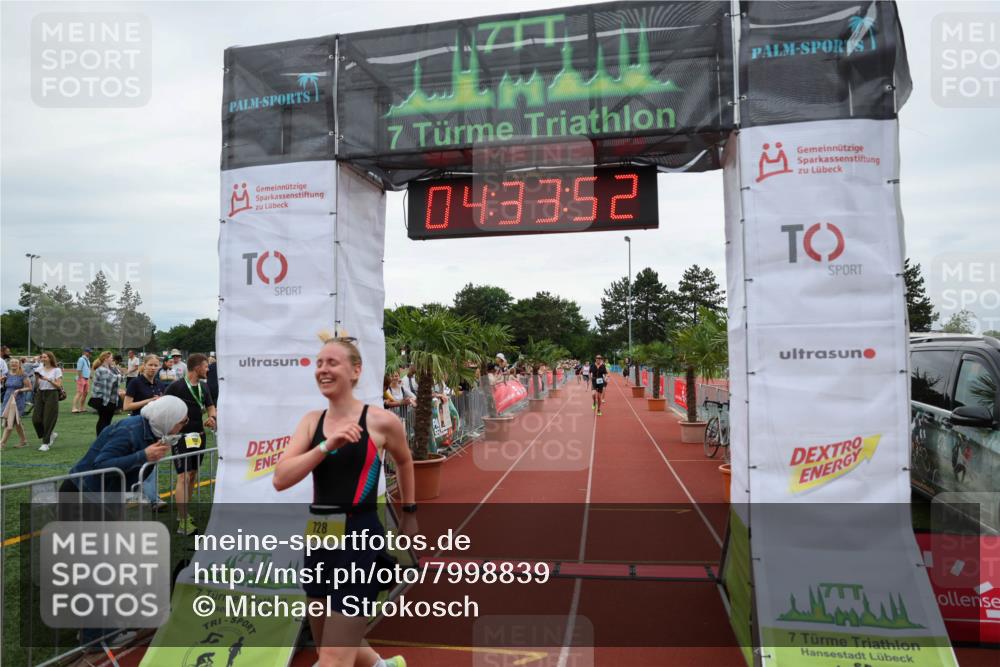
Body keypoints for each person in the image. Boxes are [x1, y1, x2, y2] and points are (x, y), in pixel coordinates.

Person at [273, 338, 413, 667]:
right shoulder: (312, 421)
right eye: (319, 363)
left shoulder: (380, 421)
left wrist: (410, 514)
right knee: (325, 646)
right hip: (320, 535)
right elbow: (281, 478)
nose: (323, 369)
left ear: (355, 371)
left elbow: (405, 461)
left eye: (332, 362)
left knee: (334, 657)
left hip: (360, 535)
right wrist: (327, 445)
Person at [165, 353, 216, 536]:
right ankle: (183, 521)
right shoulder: (175, 386)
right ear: (196, 367)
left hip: (199, 436)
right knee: (183, 477)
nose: (208, 369)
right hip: (180, 437)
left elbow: (210, 406)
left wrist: (212, 417)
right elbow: (163, 408)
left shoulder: (204, 386)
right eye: (206, 366)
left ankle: (184, 513)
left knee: (192, 475)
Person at [32, 351, 63, 451]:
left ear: (50, 358)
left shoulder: (57, 370)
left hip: (52, 394)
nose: (43, 359)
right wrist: (37, 379)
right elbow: (36, 385)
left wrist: (48, 380)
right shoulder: (39, 369)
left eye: (45, 357)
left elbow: (58, 386)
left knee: (48, 419)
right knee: (36, 419)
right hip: (40, 393)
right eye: (42, 357)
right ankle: (50, 434)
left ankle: (45, 443)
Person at [1, 358, 31, 448]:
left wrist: (19, 390)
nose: (14, 364)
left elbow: (29, 387)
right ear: (9, 364)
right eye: (12, 362)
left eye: (16, 362)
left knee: (10, 421)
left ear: (19, 364)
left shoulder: (23, 375)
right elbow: (4, 386)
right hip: (7, 399)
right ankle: (24, 441)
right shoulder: (7, 374)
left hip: (18, 400)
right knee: (17, 422)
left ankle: (2, 443)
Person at [89, 352, 121, 435]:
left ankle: (104, 437)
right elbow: (115, 378)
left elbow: (120, 377)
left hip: (109, 399)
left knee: (107, 419)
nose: (112, 359)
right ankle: (101, 437)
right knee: (103, 420)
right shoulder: (102, 369)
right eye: (111, 358)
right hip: (102, 399)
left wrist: (115, 369)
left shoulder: (110, 368)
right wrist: (119, 374)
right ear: (105, 359)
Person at [72, 347, 93, 413]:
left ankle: (81, 408)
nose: (90, 353)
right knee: (79, 393)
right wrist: (80, 378)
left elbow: (87, 369)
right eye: (88, 352)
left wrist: (90, 376)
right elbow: (79, 369)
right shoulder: (81, 359)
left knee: (85, 393)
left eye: (90, 352)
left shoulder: (87, 360)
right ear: (84, 352)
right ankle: (74, 408)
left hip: (86, 378)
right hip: (82, 378)